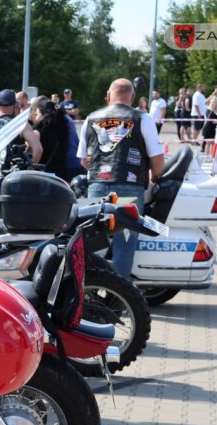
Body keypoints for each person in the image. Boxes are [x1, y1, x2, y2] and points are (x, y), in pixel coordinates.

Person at [77, 78, 165, 278]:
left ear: (108, 97)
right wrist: (155, 176)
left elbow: (83, 161)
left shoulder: (91, 118)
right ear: (132, 97)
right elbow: (158, 161)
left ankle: (87, 292)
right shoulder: (142, 118)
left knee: (92, 244)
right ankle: (118, 299)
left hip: (97, 188)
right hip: (129, 189)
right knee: (124, 246)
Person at [31, 97, 70, 178]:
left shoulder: (37, 132)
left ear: (43, 114)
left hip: (42, 175)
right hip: (61, 174)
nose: (35, 116)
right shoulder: (64, 129)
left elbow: (34, 153)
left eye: (37, 113)